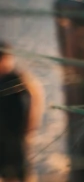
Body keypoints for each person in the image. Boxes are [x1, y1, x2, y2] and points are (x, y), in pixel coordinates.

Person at [0, 42, 44, 182]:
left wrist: (29, 129)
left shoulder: (19, 80)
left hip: (16, 136)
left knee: (17, 172)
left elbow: (34, 105)